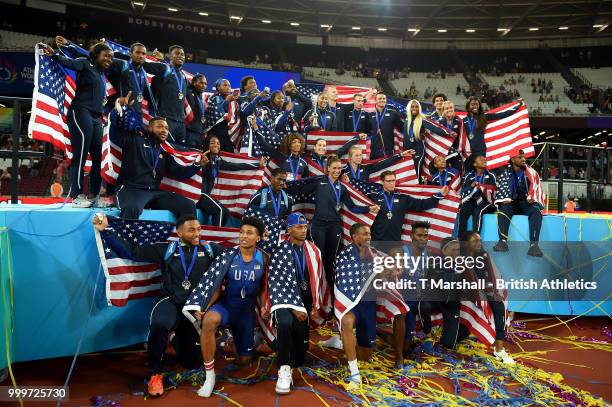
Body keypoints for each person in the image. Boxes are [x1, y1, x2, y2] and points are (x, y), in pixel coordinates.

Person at [93, 213, 220, 396]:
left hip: (194, 308)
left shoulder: (210, 250)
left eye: (199, 229)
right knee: (160, 325)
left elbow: (236, 255)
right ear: (179, 232)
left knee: (191, 362)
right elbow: (133, 252)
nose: (197, 234)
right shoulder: (167, 249)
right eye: (191, 230)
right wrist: (106, 231)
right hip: (170, 301)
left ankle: (174, 337)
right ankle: (155, 374)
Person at [185, 217, 270, 398]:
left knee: (244, 361)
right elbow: (216, 286)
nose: (243, 236)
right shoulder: (228, 256)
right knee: (209, 320)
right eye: (241, 232)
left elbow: (264, 287)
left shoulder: (263, 257)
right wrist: (205, 306)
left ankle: (234, 341)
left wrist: (264, 306)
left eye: (249, 233)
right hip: (226, 307)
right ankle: (210, 377)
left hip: (246, 314)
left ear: (258, 238)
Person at [40, 38, 124, 208]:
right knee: (80, 155)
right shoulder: (85, 63)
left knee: (98, 158)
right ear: (96, 55)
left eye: (110, 57)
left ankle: (93, 195)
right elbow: (69, 63)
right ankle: (76, 195)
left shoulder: (101, 74)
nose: (109, 60)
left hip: (96, 117)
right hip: (80, 112)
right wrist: (55, 55)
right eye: (105, 56)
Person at [286, 156, 379, 291]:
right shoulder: (319, 182)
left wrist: (368, 208)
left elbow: (352, 207)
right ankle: (315, 287)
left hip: (334, 226)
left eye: (339, 168)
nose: (337, 171)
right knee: (318, 257)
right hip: (319, 226)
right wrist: (285, 188)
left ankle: (330, 289)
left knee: (331, 259)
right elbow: (301, 190)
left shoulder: (342, 188)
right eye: (334, 168)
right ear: (328, 168)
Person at [269, 212, 330, 394]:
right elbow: (276, 282)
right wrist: (294, 308)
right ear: (289, 230)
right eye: (298, 227)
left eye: (305, 227)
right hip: (283, 301)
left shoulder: (314, 251)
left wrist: (314, 306)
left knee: (300, 356)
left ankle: (284, 351)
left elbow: (319, 279)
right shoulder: (279, 250)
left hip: (304, 302)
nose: (303, 230)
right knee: (286, 323)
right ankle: (284, 370)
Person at [110, 97, 200, 220]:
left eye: (167, 128)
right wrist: (118, 110)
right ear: (150, 128)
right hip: (131, 189)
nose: (164, 130)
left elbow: (178, 172)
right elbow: (115, 133)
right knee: (132, 209)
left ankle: (185, 238)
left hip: (154, 192)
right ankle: (124, 239)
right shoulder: (135, 140)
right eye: (160, 127)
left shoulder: (163, 151)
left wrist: (197, 164)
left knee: (188, 205)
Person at [462, 231, 515, 364]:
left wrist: (494, 293)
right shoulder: (460, 259)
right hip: (465, 297)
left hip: (483, 294)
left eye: (480, 240)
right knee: (454, 339)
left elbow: (493, 277)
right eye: (475, 241)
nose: (479, 243)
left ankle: (499, 349)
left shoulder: (485, 256)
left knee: (499, 305)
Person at [415, 237, 471, 350]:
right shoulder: (433, 263)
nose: (456, 253)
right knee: (422, 304)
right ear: (444, 251)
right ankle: (427, 334)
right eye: (453, 250)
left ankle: (445, 334)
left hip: (452, 304)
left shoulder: (463, 266)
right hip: (436, 299)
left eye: (458, 250)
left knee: (449, 345)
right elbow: (424, 282)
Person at [198, 135, 264, 226]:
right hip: (199, 194)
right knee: (220, 210)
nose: (216, 145)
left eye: (218, 143)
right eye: (212, 143)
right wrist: (201, 164)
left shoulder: (217, 161)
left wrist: (257, 164)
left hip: (206, 195)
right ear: (206, 145)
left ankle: (215, 235)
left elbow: (235, 166)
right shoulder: (201, 158)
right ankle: (216, 237)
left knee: (226, 212)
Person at [369, 171, 449, 245]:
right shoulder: (373, 197)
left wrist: (438, 196)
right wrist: (368, 208)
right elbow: (360, 206)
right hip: (375, 239)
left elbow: (421, 204)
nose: (392, 183)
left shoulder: (402, 198)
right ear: (382, 182)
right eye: (389, 181)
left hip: (394, 240)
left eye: (393, 180)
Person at [493, 150, 544, 257]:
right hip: (512, 202)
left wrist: (532, 196)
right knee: (503, 210)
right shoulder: (505, 172)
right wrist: (504, 199)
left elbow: (536, 188)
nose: (524, 159)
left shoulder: (531, 172)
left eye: (523, 157)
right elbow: (501, 188)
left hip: (526, 202)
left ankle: (534, 245)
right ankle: (502, 241)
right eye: (520, 157)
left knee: (536, 212)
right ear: (512, 159)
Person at [460, 96, 523, 171]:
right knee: (468, 173)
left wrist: (517, 106)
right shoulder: (463, 120)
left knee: (480, 172)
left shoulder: (483, 117)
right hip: (468, 152)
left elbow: (502, 114)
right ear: (468, 106)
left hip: (480, 151)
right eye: (473, 104)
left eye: (477, 104)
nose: (475, 106)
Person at [404, 99, 452, 182]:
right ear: (409, 108)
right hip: (406, 152)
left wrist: (448, 132)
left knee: (416, 174)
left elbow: (434, 127)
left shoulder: (422, 119)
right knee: (409, 174)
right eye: (412, 107)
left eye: (416, 107)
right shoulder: (406, 120)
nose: (414, 108)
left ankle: (417, 192)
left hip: (417, 152)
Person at [151, 45, 189, 143]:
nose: (180, 56)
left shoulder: (184, 77)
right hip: (166, 120)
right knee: (165, 150)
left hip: (181, 122)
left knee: (179, 154)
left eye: (182, 54)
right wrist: (162, 62)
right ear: (170, 56)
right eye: (176, 53)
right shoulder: (164, 72)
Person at [458, 155, 496, 236]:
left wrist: (483, 187)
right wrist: (471, 187)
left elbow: (494, 190)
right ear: (475, 164)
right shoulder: (469, 175)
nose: (484, 161)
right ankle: (461, 238)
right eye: (481, 160)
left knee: (477, 212)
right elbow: (464, 191)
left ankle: (476, 237)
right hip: (473, 200)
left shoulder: (491, 175)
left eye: (485, 160)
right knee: (463, 210)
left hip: (487, 201)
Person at [206, 78, 241, 152]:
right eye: (225, 85)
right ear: (218, 87)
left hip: (228, 136)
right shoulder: (213, 99)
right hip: (215, 135)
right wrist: (227, 101)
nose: (228, 87)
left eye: (229, 85)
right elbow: (219, 110)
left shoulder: (234, 102)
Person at [367, 92, 404, 159]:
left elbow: (402, 128)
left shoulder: (393, 113)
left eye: (384, 98)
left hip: (388, 150)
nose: (382, 100)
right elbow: (366, 131)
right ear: (375, 100)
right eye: (380, 98)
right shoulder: (370, 115)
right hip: (374, 151)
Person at [343, 146, 410, 181]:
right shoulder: (342, 171)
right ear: (350, 157)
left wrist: (400, 155)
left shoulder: (366, 167)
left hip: (364, 199)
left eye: (360, 155)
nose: (359, 157)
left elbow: (383, 164)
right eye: (356, 155)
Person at [185, 74, 208, 148]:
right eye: (201, 83)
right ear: (194, 83)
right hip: (189, 132)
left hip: (200, 133)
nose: (203, 85)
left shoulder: (202, 98)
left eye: (205, 84)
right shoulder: (188, 93)